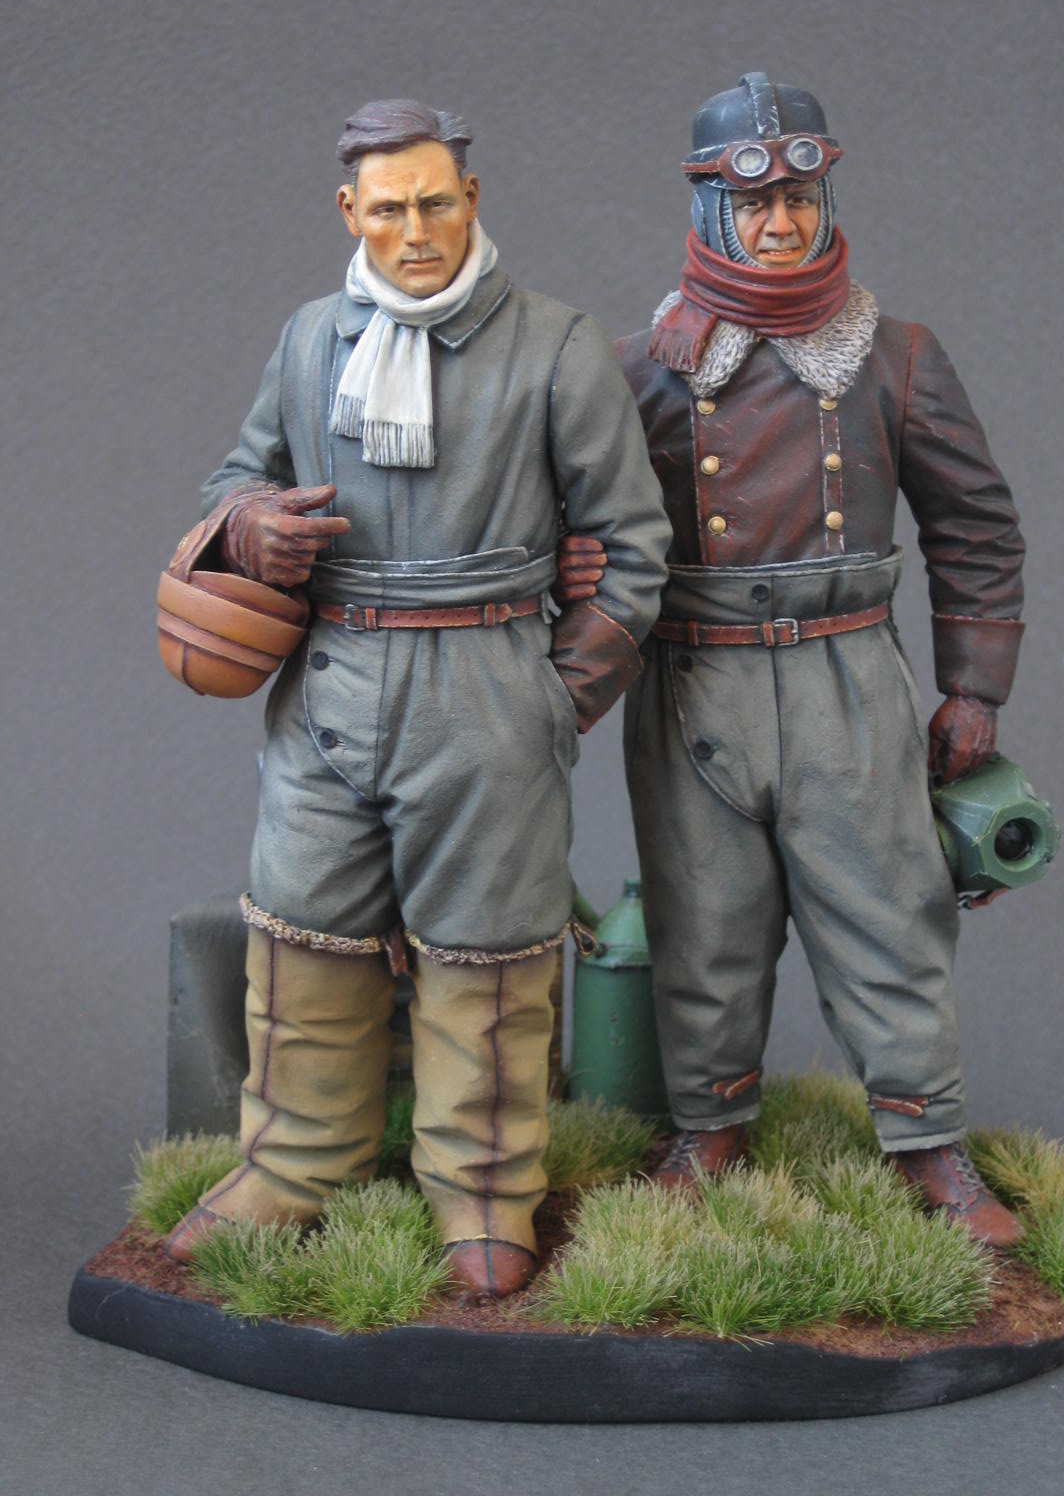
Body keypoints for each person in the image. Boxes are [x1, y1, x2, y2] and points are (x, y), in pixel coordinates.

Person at [163, 98, 670, 1298]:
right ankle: (292, 1161)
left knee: (490, 955)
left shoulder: (556, 347)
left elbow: (633, 545)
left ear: (472, 200)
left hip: (486, 682)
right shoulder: (309, 340)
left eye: (436, 202)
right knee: (303, 928)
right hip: (331, 682)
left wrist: (558, 698)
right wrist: (248, 527)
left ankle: (484, 1188)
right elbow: (237, 475)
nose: (416, 230)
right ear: (351, 212)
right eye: (388, 209)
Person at [567, 73, 1026, 1245]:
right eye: (754, 203)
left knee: (891, 907)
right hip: (693, 682)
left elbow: (974, 525)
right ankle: (709, 1125)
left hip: (844, 674)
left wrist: (974, 688)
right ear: (712, 209)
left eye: (800, 200)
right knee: (702, 915)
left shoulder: (896, 357)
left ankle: (927, 1138)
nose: (780, 224)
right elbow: (585, 532)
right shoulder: (641, 368)